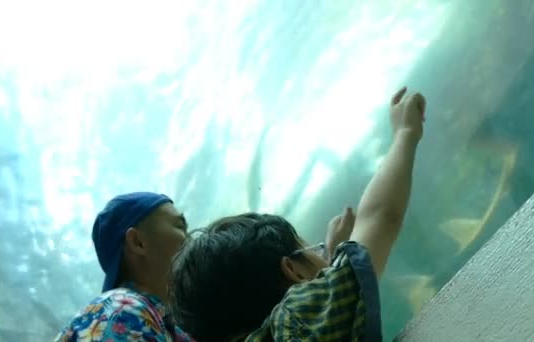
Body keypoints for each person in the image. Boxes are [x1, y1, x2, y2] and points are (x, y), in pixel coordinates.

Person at [168, 87, 425, 341]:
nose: (325, 260)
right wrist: (405, 133)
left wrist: (332, 255)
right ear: (293, 270)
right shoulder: (301, 316)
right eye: (313, 249)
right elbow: (380, 217)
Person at [55, 192, 194, 341]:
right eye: (180, 227)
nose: (191, 238)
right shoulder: (123, 311)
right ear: (137, 242)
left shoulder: (164, 324)